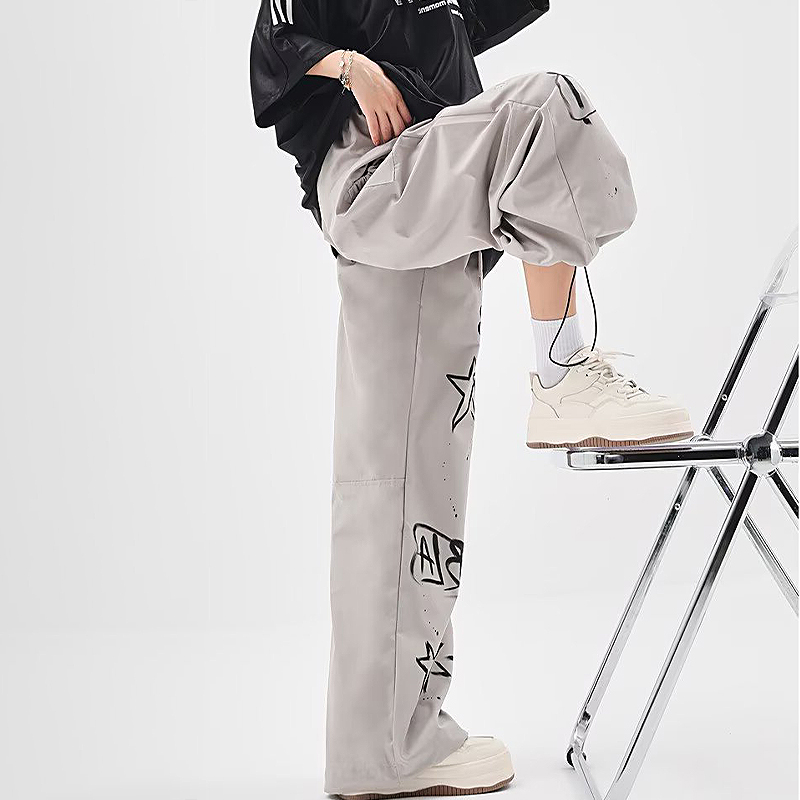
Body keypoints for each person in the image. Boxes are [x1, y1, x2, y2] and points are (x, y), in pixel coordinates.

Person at [250, 1, 692, 797]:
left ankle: (391, 747)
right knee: (544, 111)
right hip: (380, 176)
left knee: (414, 492)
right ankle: (561, 372)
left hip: (439, 190)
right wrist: (351, 67)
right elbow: (273, 35)